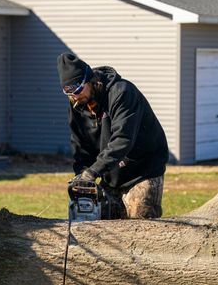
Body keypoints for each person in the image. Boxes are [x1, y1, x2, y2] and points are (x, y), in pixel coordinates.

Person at [57, 52, 168, 219]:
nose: (75, 96)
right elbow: (80, 146)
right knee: (101, 225)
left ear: (90, 79)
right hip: (111, 176)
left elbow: (123, 139)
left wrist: (93, 172)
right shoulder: (77, 105)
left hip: (142, 170)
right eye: (69, 93)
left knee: (141, 225)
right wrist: (81, 176)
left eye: (78, 89)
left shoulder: (121, 93)